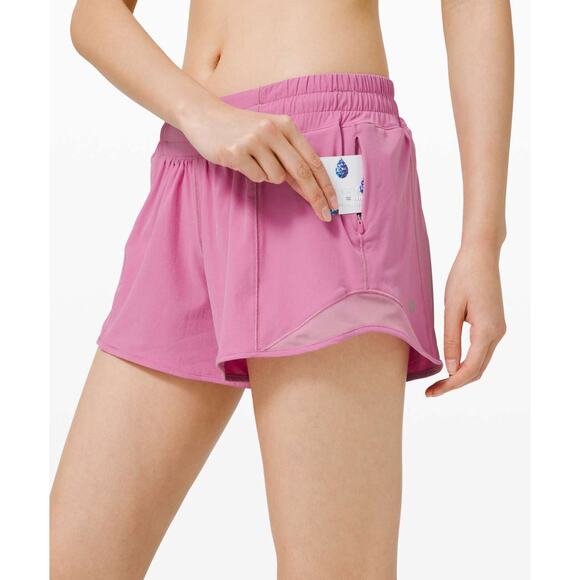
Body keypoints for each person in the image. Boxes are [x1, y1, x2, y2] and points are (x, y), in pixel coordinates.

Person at [51, 0, 513, 578]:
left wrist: (482, 241)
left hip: (318, 167)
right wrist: (199, 113)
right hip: (194, 155)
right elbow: (94, 17)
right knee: (74, 557)